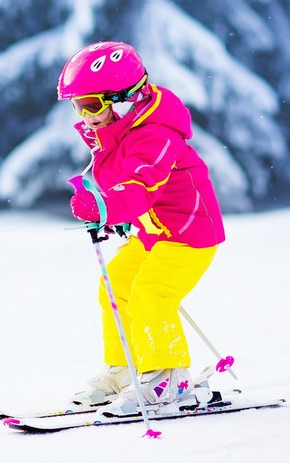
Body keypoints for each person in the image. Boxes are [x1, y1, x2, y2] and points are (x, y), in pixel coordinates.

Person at [58, 41, 226, 415]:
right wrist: (117, 216)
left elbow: (140, 185)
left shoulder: (156, 135)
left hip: (189, 235)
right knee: (116, 281)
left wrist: (105, 207)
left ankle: (169, 379)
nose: (85, 115)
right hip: (154, 233)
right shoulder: (119, 131)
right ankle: (126, 370)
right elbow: (127, 184)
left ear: (124, 99)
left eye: (92, 105)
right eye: (77, 105)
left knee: (151, 294)